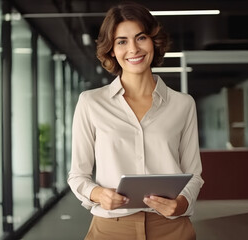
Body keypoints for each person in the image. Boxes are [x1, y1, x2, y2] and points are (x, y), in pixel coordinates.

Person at [68, 2, 204, 239]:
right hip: (111, 228)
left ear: (154, 42)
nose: (133, 48)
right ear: (111, 49)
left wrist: (181, 203)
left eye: (141, 38)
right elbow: (77, 175)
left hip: (171, 228)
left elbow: (194, 174)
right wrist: (99, 194)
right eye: (122, 41)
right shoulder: (91, 103)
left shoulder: (183, 104)